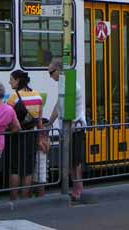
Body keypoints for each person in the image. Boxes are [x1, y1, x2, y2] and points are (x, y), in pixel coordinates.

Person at [47, 58, 86, 202]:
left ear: (58, 70)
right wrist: (50, 122)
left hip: (75, 129)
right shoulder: (65, 84)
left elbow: (66, 108)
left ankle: (77, 190)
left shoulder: (70, 86)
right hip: (69, 129)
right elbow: (59, 105)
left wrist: (59, 124)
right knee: (71, 161)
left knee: (75, 161)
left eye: (51, 72)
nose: (50, 76)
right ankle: (76, 188)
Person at [5, 70, 43, 200]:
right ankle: (25, 198)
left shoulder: (14, 97)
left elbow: (8, 118)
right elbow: (39, 120)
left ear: (17, 80)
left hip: (16, 135)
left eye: (11, 79)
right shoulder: (38, 96)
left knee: (15, 169)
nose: (9, 82)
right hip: (31, 135)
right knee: (28, 169)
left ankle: (13, 199)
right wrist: (40, 138)